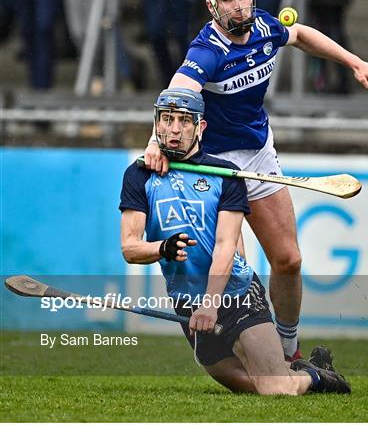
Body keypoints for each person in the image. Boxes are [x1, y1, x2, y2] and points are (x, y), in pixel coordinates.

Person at [144, 0, 368, 361]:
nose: (239, 6)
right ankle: (246, 353)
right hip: (214, 168)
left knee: (289, 260)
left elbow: (301, 34)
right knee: (234, 267)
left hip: (258, 155)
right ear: (212, 7)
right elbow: (177, 93)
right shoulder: (206, 51)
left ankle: (289, 349)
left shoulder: (263, 27)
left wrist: (355, 62)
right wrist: (156, 142)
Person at [120, 87, 351, 395]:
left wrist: (212, 304)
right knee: (251, 385)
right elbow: (130, 247)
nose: (174, 129)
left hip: (235, 293)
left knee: (275, 389)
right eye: (167, 119)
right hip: (187, 303)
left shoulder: (226, 174)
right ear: (156, 124)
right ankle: (299, 369)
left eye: (185, 121)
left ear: (201, 127)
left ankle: (318, 377)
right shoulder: (139, 176)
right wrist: (163, 247)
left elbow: (226, 245)